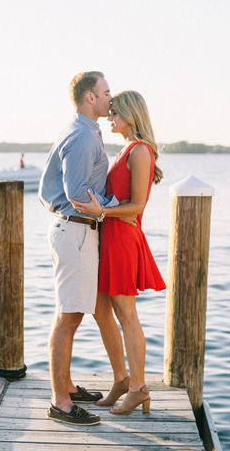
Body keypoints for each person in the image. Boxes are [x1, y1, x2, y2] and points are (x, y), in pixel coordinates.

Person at [70, 90, 166, 415]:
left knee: (127, 315)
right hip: (109, 238)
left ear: (129, 114)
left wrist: (100, 211)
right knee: (100, 310)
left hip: (123, 238)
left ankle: (138, 387)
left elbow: (137, 207)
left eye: (114, 112)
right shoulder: (126, 149)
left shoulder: (140, 151)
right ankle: (122, 379)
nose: (109, 117)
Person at [38, 71, 119, 426]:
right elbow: (76, 192)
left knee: (71, 314)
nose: (110, 99)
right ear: (90, 97)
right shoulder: (83, 136)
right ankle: (60, 403)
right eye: (105, 92)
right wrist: (116, 201)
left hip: (77, 231)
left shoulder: (83, 131)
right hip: (76, 231)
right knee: (68, 317)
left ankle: (67, 386)